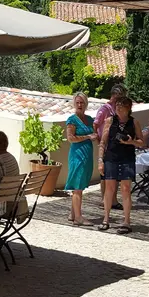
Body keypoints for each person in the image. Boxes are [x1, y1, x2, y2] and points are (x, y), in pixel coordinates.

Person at [98, 96, 143, 234]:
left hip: (127, 158)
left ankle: (127, 221)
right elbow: (103, 142)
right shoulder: (110, 121)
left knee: (125, 189)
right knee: (109, 189)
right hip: (111, 158)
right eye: (117, 105)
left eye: (121, 105)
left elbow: (142, 142)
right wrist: (100, 160)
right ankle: (106, 219)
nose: (118, 107)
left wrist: (130, 142)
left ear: (128, 108)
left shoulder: (134, 122)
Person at [94, 84, 127, 210]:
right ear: (115, 95)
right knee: (105, 174)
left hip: (116, 145)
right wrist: (99, 141)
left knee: (115, 175)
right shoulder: (105, 109)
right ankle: (105, 200)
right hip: (106, 145)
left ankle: (113, 200)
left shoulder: (117, 109)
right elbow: (95, 125)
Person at [65, 92, 96, 225]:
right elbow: (70, 138)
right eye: (77, 102)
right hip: (77, 155)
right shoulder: (72, 120)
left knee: (80, 184)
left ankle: (73, 214)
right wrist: (88, 137)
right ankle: (78, 217)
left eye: (82, 102)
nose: (79, 105)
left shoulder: (89, 119)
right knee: (77, 186)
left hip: (87, 155)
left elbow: (96, 133)